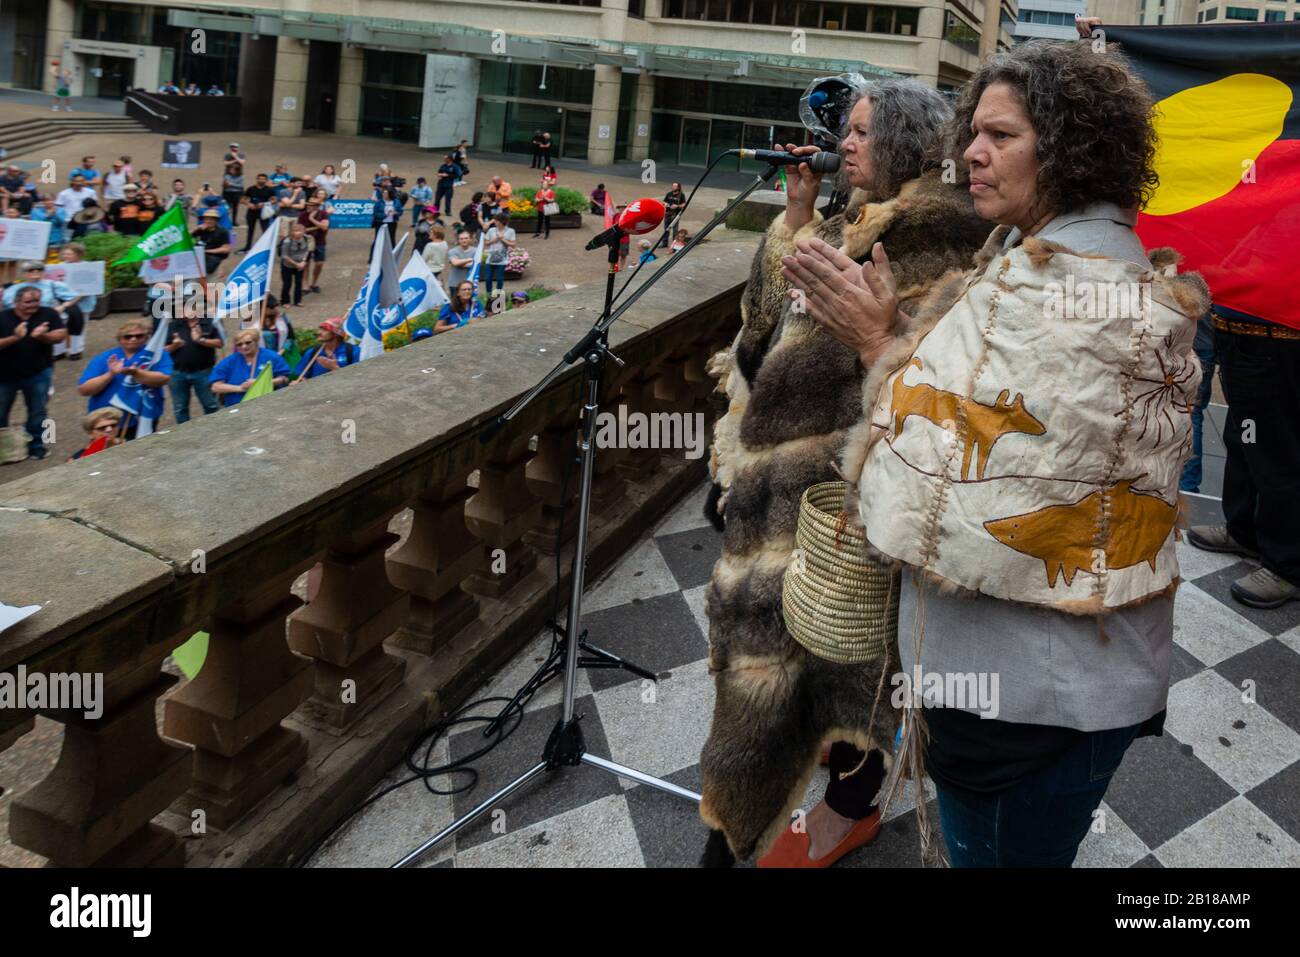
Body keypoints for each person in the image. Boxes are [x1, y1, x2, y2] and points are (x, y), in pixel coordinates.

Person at [781, 41, 1208, 869]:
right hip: (1054, 691)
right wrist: (900, 341)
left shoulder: (1065, 294)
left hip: (1028, 708)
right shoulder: (1061, 262)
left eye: (1000, 135)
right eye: (971, 131)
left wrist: (876, 343)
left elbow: (935, 499)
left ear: (1071, 147)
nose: (968, 151)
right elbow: (1000, 416)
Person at [697, 75, 992, 869]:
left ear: (903, 139)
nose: (844, 144)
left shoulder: (941, 235)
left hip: (843, 500)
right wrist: (794, 218)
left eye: (862, 131)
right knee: (788, 657)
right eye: (846, 131)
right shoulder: (838, 220)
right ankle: (812, 796)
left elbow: (942, 385)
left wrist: (877, 334)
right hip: (775, 495)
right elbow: (763, 334)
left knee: (846, 659)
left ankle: (836, 807)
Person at [0, 286, 66, 460]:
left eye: (37, 300)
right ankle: (3, 449)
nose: (34, 305)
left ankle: (37, 445)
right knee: (0, 412)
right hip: (4, 376)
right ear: (16, 302)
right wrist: (15, 338)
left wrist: (42, 336)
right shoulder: (3, 317)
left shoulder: (49, 313)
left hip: (38, 373)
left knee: (38, 411)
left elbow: (60, 335)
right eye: (28, 302)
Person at [77, 318, 171, 438]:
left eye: (139, 336)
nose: (133, 339)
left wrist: (136, 373)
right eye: (128, 336)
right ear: (120, 338)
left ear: (146, 337)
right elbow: (84, 389)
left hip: (142, 416)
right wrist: (110, 374)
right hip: (108, 421)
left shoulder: (157, 355)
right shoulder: (104, 358)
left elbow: (163, 378)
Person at [2, 261, 82, 360]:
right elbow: (6, 305)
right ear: (24, 273)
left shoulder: (52, 284)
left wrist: (63, 306)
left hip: (45, 318)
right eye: (31, 270)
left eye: (39, 269)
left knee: (44, 341)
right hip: (21, 319)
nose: (35, 272)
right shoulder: (14, 288)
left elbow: (75, 296)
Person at [163, 307, 221, 423]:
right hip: (177, 373)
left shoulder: (209, 322)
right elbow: (163, 350)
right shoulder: (173, 325)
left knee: (210, 405)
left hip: (204, 371)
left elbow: (219, 343)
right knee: (180, 408)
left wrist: (201, 340)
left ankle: (215, 429)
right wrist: (174, 345)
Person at [209, 326, 289, 405]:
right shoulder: (228, 361)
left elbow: (284, 379)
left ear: (256, 341)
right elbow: (215, 387)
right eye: (239, 344)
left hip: (268, 403)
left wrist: (260, 383)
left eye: (248, 342)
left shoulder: (272, 356)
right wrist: (241, 388)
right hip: (237, 405)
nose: (244, 346)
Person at [293, 318, 357, 381]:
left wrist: (335, 368)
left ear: (336, 333)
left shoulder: (353, 352)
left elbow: (356, 379)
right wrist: (299, 382)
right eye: (320, 329)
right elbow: (302, 376)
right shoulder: (312, 352)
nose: (319, 332)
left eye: (325, 330)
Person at [300, 191, 330, 293]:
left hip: (320, 241)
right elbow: (301, 230)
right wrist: (317, 226)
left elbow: (325, 227)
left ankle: (314, 283)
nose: (308, 207)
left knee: (319, 263)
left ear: (317, 207)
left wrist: (311, 219)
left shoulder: (323, 214)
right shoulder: (302, 215)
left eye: (311, 206)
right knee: (306, 264)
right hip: (306, 241)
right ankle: (305, 285)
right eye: (308, 205)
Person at [482, 213, 516, 303]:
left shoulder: (510, 231)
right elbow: (486, 243)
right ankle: (488, 295)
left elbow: (513, 245)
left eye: (496, 220)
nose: (495, 222)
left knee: (500, 278)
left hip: (502, 259)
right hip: (491, 258)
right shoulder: (491, 230)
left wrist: (503, 239)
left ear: (502, 222)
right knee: (488, 278)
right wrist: (495, 239)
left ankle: (498, 296)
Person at [242, 172, 277, 251]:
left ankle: (265, 247)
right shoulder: (251, 189)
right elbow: (242, 199)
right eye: (260, 179)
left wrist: (265, 204)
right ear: (257, 179)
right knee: (250, 230)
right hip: (252, 211)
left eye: (263, 179)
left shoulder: (269, 190)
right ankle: (247, 246)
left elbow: (274, 200)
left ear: (266, 180)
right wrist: (249, 204)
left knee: (265, 230)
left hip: (263, 212)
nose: (261, 180)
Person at [279, 221, 310, 307]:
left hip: (300, 265)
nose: (298, 233)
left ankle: (298, 300)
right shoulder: (287, 241)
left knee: (299, 282)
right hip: (288, 265)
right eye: (296, 231)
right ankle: (285, 301)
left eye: (300, 230)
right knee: (287, 283)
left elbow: (307, 250)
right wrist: (296, 264)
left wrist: (303, 261)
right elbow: (285, 256)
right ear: (292, 232)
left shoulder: (306, 238)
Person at [192, 208, 232, 276]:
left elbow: (226, 249)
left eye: (211, 219)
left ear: (216, 220)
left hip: (213, 261)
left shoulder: (222, 231)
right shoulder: (202, 229)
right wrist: (197, 228)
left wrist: (206, 251)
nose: (208, 221)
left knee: (210, 284)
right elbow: (187, 237)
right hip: (200, 259)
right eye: (206, 219)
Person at [660, 182, 686, 249]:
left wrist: (677, 206)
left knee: (675, 230)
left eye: (675, 186)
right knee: (666, 229)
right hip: (667, 214)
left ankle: (674, 244)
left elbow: (684, 204)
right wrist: (666, 204)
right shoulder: (669, 194)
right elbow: (664, 201)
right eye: (673, 186)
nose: (673, 187)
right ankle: (664, 243)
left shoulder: (681, 195)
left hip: (675, 215)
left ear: (678, 188)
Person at [221, 160, 245, 224]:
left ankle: (234, 221)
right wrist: (224, 185)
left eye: (233, 169)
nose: (231, 171)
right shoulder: (226, 175)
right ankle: (225, 220)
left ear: (237, 170)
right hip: (227, 193)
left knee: (235, 207)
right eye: (230, 169)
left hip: (236, 193)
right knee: (226, 207)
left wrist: (231, 184)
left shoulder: (241, 176)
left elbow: (240, 186)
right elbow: (224, 184)